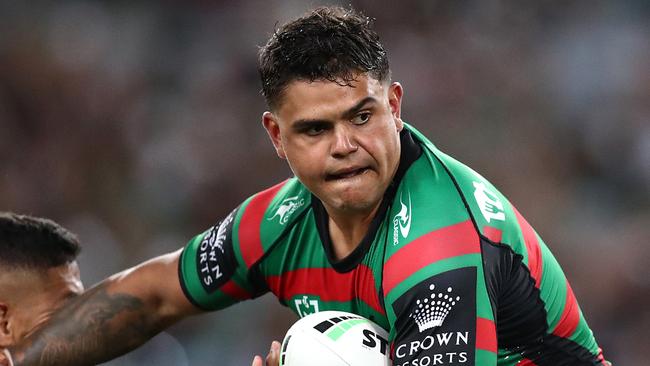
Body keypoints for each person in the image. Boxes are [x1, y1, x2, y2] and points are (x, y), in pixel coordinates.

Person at [2, 6, 609, 366]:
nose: (344, 145)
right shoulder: (279, 224)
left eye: (362, 116)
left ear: (395, 105)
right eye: (316, 129)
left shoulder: (437, 248)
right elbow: (158, 293)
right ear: (276, 136)